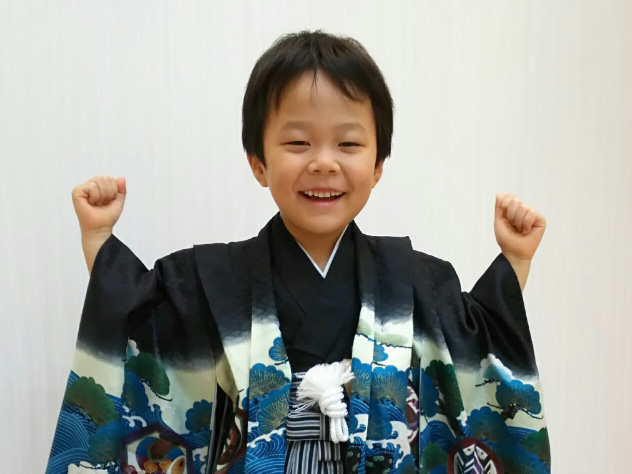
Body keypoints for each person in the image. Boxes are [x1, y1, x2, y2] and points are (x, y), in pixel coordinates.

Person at [46, 30, 550, 474]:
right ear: (258, 163)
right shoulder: (214, 278)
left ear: (378, 165)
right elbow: (138, 321)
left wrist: (515, 260)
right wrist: (98, 238)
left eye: (348, 145)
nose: (324, 163)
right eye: (298, 143)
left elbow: (476, 343)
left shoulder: (413, 280)